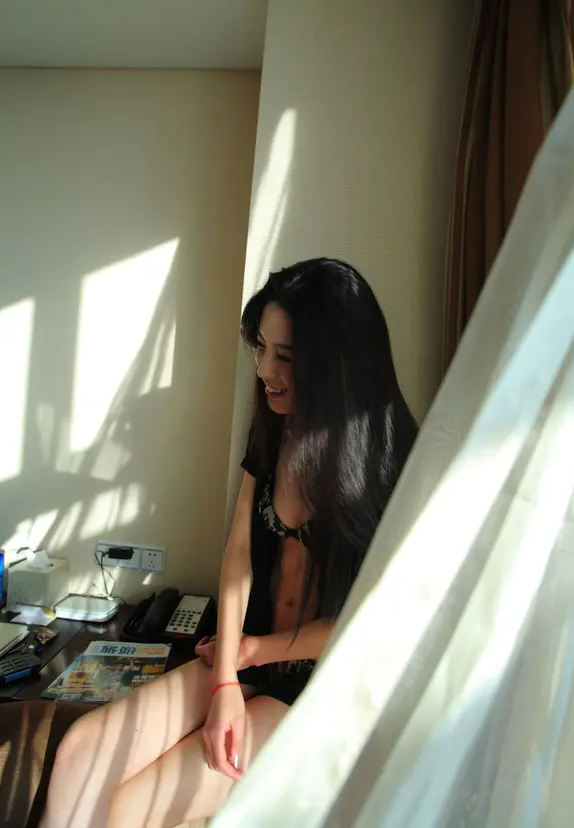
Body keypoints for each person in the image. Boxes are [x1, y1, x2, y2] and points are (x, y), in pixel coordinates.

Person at [41, 258, 418, 828]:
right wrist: (225, 677)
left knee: (131, 809)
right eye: (261, 348)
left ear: (336, 363)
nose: (264, 371)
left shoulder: (391, 463)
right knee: (79, 756)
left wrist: (251, 653)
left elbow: (375, 617)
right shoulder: (274, 427)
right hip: (245, 653)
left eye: (285, 357)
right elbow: (239, 553)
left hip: (323, 685)